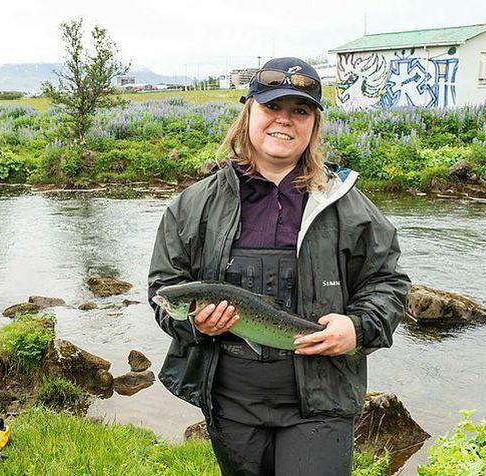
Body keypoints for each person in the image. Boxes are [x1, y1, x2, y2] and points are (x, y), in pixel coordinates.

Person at [148, 57, 410, 476]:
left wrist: (356, 328)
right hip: (230, 400)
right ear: (248, 110)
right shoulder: (194, 205)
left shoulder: (346, 205)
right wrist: (195, 324)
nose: (283, 121)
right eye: (272, 107)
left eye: (300, 111)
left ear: (314, 124)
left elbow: (388, 283)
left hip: (320, 401)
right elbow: (164, 288)